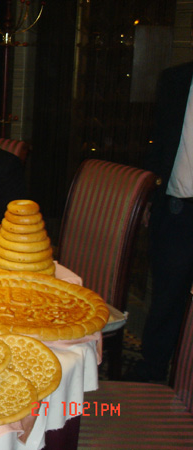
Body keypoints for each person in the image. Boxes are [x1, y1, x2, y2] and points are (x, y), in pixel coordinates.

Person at [125, 61, 193, 382]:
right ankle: (151, 371)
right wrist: (152, 196)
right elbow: (160, 139)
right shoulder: (176, 79)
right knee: (167, 295)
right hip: (178, 208)